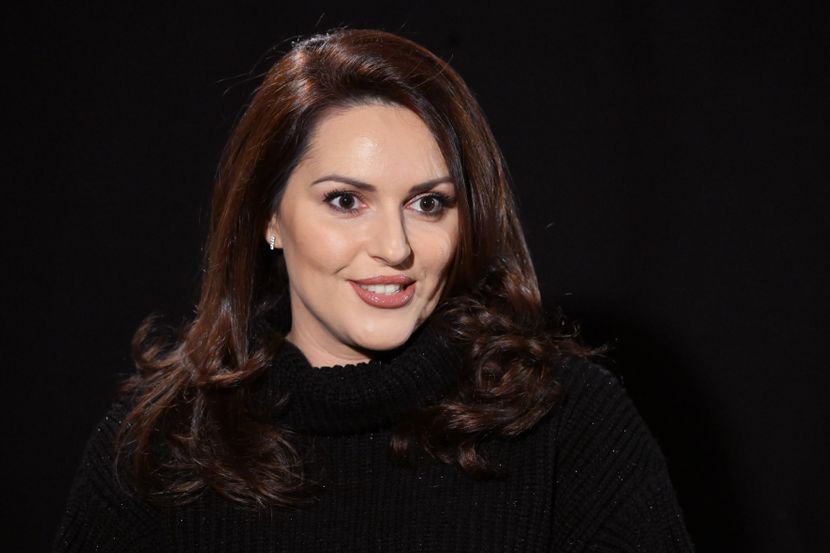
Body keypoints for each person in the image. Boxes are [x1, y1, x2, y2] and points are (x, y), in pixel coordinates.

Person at [54, 28, 694, 552]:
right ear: (267, 216)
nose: (395, 246)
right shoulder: (160, 447)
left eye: (428, 203)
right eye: (345, 200)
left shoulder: (568, 421)